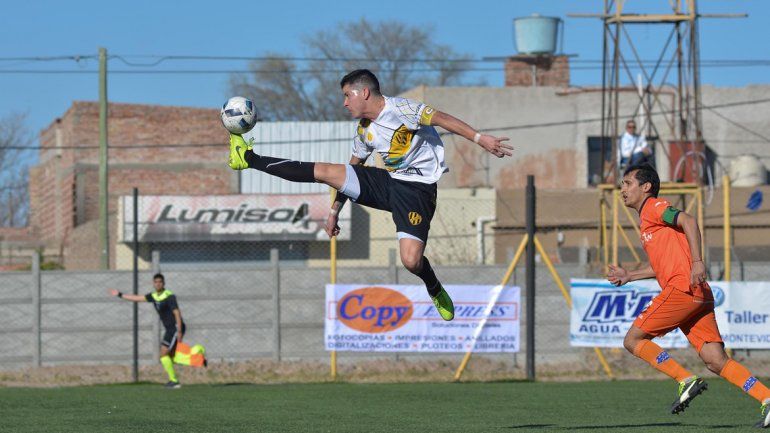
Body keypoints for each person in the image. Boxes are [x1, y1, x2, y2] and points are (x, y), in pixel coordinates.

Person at [227, 69, 513, 321]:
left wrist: (480, 139)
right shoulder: (364, 130)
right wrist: (334, 210)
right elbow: (354, 167)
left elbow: (442, 118)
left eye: (347, 95)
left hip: (417, 190)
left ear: (364, 92)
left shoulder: (402, 109)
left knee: (411, 261)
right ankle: (249, 158)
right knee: (326, 171)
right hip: (387, 182)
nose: (344, 102)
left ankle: (434, 287)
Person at [608, 164, 770, 428]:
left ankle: (685, 379)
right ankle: (767, 397)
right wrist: (630, 275)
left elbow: (689, 220)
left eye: (627, 183)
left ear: (646, 187)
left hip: (683, 289)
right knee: (716, 361)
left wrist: (697, 261)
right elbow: (661, 265)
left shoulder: (653, 207)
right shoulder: (647, 221)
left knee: (633, 339)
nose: (622, 189)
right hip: (698, 293)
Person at [109, 273, 186, 389]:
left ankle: (174, 381)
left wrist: (179, 330)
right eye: (156, 282)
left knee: (163, 354)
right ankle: (196, 356)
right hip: (170, 329)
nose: (158, 284)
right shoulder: (154, 296)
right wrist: (120, 295)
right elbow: (138, 298)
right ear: (153, 284)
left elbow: (177, 312)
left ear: (164, 283)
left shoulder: (169, 296)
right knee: (170, 356)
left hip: (175, 328)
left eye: (160, 282)